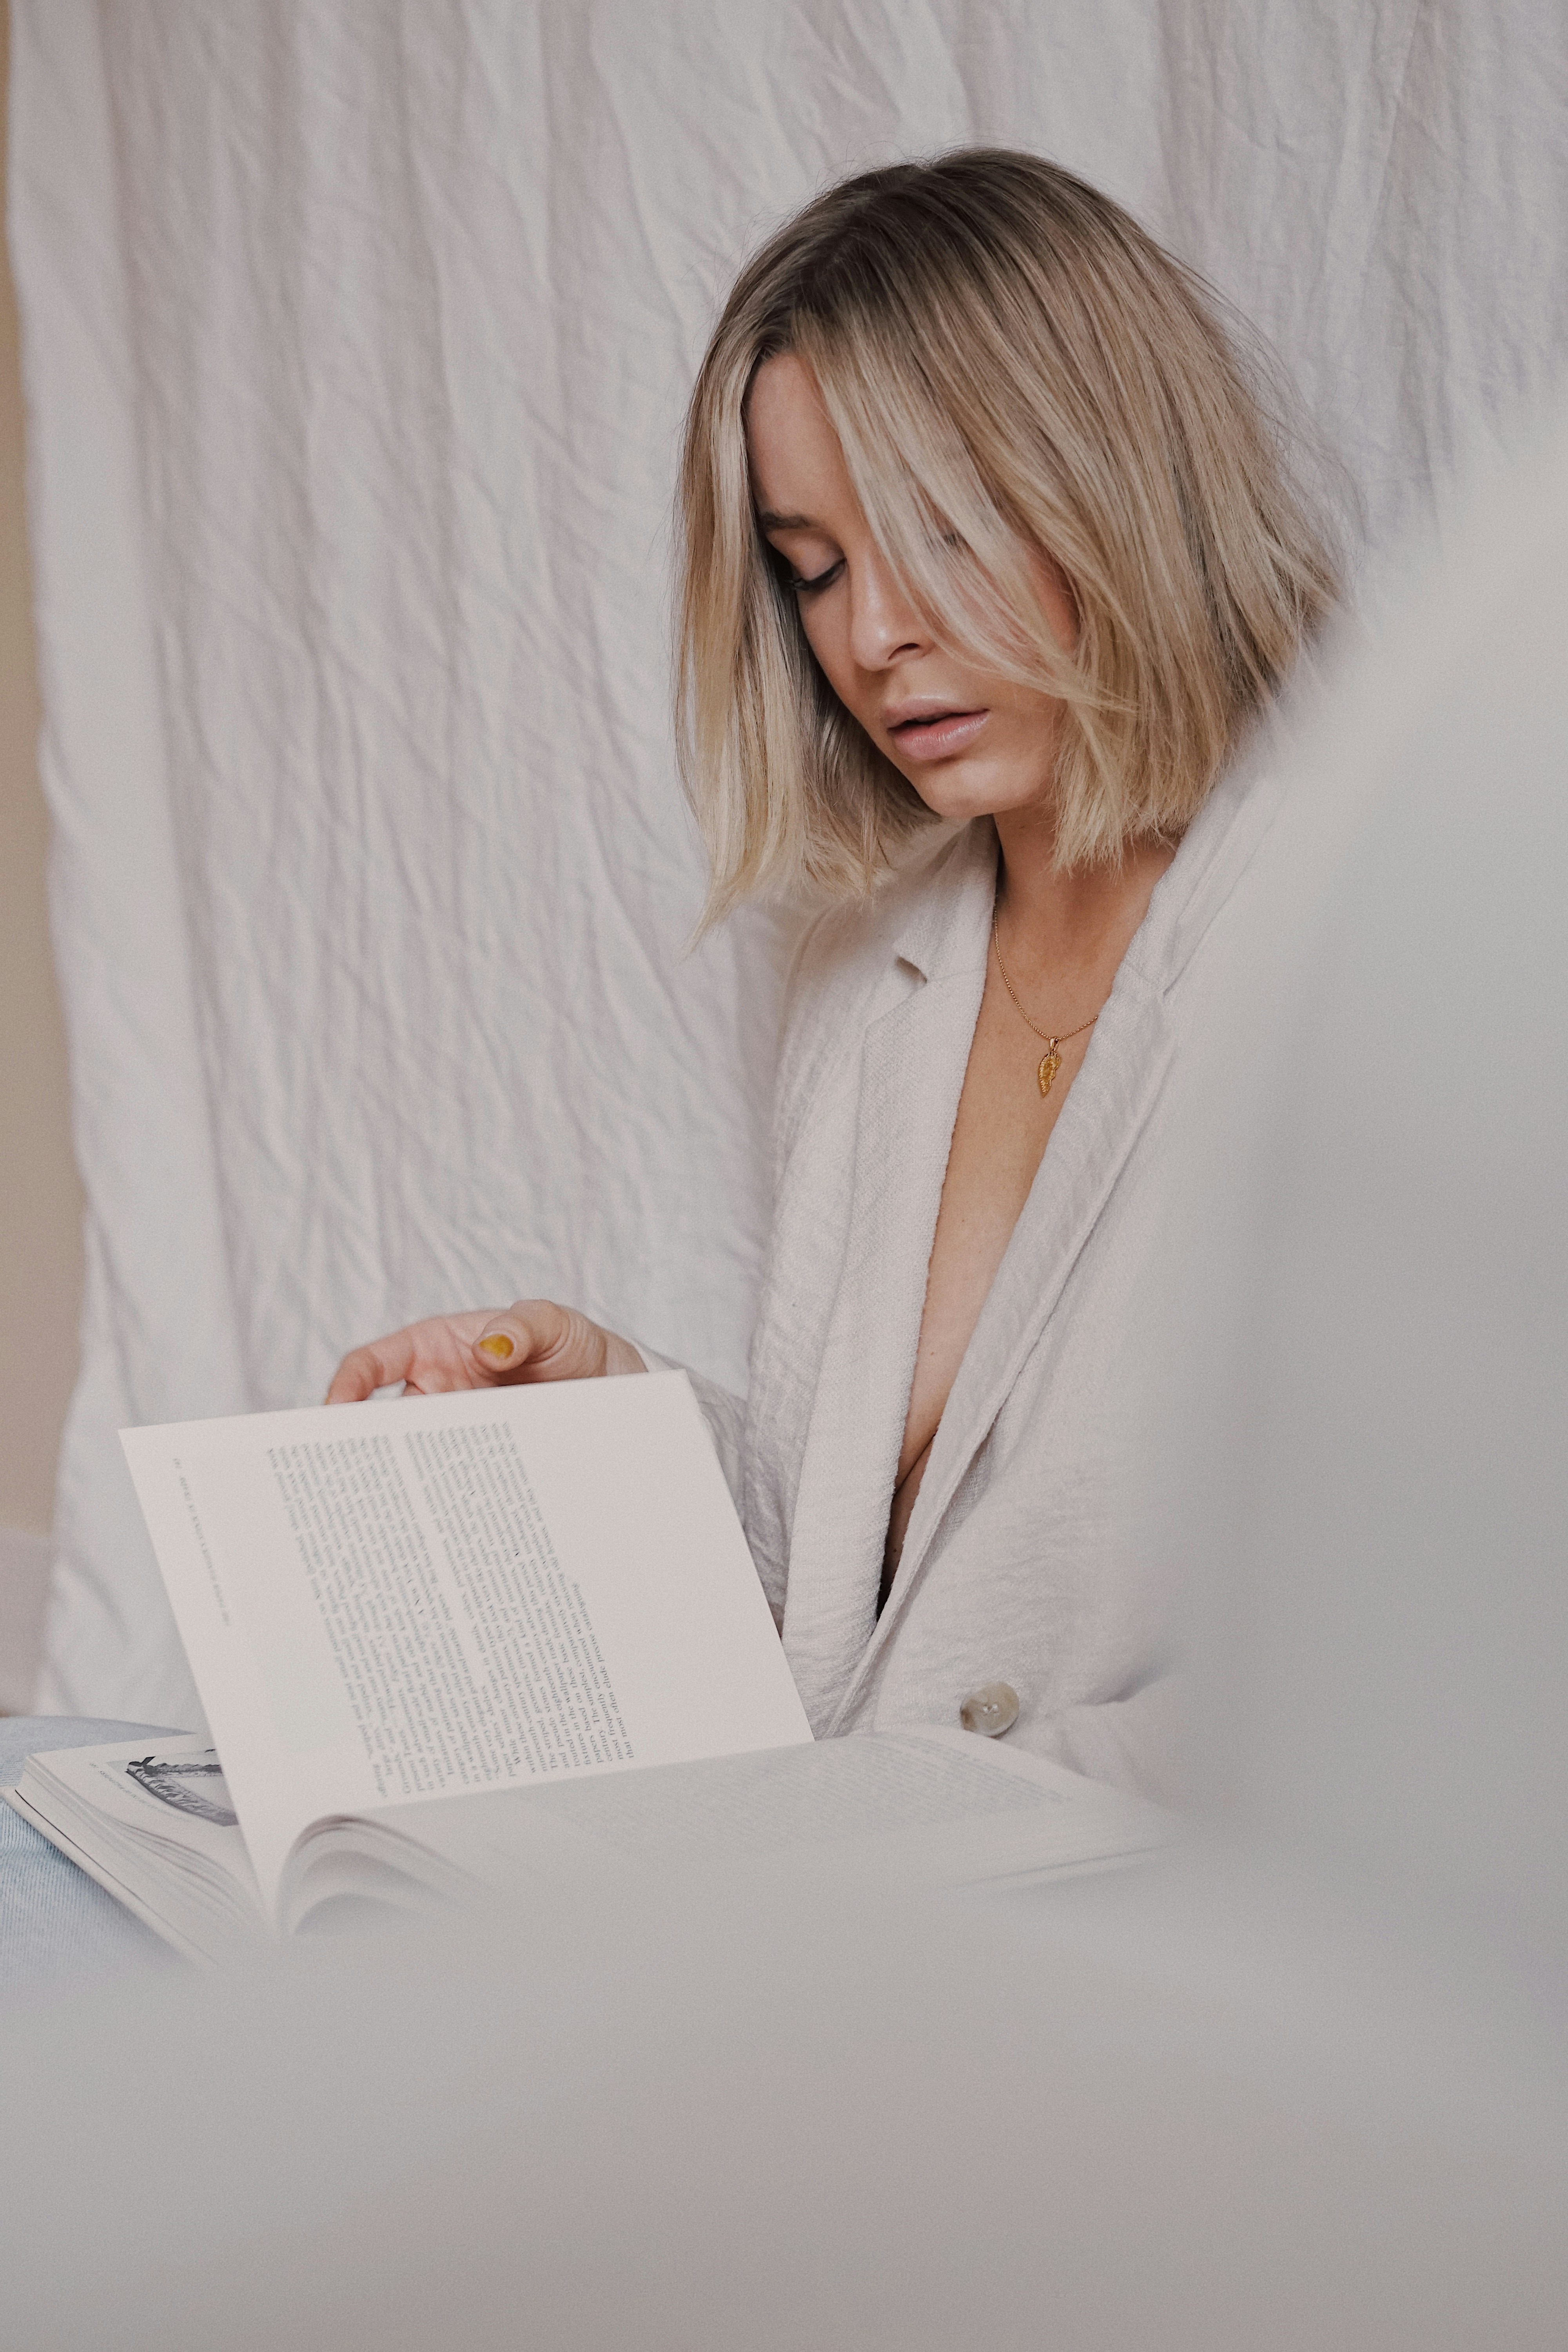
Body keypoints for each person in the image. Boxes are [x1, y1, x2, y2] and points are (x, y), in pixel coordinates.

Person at [327, 151, 1338, 1796]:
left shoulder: (1357, 929)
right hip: (849, 1918)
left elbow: (1434, 1644)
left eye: (943, 524)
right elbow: (857, 1612)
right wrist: (606, 1419)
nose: (870, 633)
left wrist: (917, 1845)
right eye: (813, 563)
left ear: (1117, 477)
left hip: (1149, 1966)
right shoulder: (873, 971)